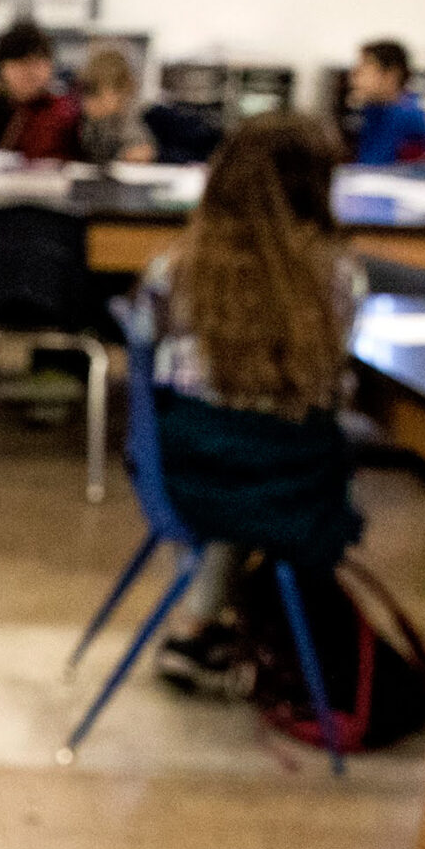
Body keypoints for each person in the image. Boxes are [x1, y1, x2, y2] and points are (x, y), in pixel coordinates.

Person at [137, 113, 367, 695]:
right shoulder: (336, 276)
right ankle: (229, 627)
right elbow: (336, 376)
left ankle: (201, 623)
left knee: (230, 447)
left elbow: (151, 357)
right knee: (291, 450)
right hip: (286, 487)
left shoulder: (174, 269)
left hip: (180, 476)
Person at [0, 21, 79, 161]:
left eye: (38, 62)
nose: (30, 71)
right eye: (20, 62)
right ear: (0, 69)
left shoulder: (65, 114)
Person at [348, 40, 425, 167]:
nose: (355, 75)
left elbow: (377, 167)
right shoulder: (375, 109)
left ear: (391, 75)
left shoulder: (409, 116)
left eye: (364, 69)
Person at [75, 47, 157, 168]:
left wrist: (136, 154)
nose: (88, 102)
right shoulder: (86, 122)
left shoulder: (140, 115)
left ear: (122, 91)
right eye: (86, 93)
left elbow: (143, 152)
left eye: (96, 94)